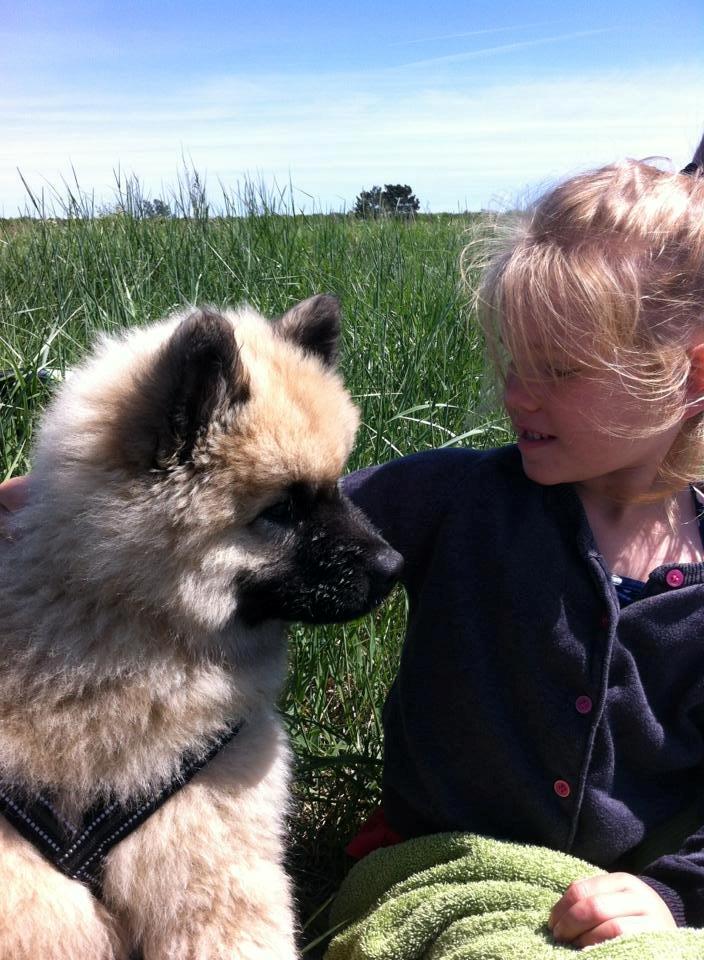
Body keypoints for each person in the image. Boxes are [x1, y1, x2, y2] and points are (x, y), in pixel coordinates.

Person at [3, 146, 704, 949]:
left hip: (638, 901)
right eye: (514, 361)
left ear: (686, 378)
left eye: (560, 369)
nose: (516, 393)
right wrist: (56, 499)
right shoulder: (460, 495)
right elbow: (178, 513)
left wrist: (673, 894)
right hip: (449, 870)